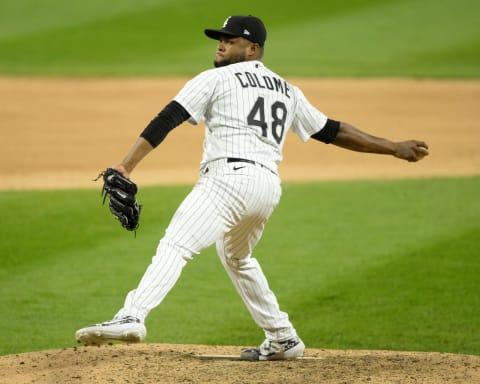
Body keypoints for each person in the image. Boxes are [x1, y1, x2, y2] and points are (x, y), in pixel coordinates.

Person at [75, 15, 429, 361]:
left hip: (226, 181)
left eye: (231, 40)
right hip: (266, 188)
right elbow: (334, 131)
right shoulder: (287, 89)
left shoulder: (216, 79)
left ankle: (131, 316)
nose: (221, 44)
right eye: (220, 39)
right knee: (237, 256)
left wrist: (125, 166)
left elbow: (168, 118)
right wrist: (393, 147)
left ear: (252, 48)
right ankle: (282, 337)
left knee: (176, 244)